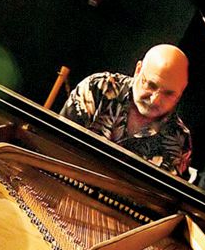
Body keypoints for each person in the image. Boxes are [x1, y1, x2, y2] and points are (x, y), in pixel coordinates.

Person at [59, 44, 192, 177]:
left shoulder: (179, 140)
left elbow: (158, 195)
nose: (154, 100)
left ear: (180, 94)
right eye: (151, 85)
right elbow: (56, 144)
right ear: (138, 70)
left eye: (168, 94)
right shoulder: (98, 89)